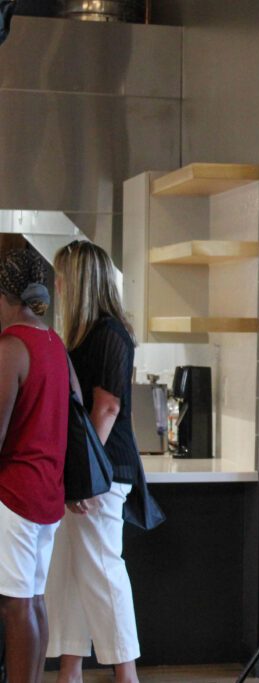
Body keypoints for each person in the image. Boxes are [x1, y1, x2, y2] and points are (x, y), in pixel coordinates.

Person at [46, 241, 144, 683]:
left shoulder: (108, 334)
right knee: (71, 572)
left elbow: (106, 407)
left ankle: (127, 673)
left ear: (81, 281)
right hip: (90, 471)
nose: (58, 286)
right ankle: (69, 669)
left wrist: (85, 477)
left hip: (102, 472)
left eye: (63, 277)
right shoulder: (90, 334)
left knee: (102, 571)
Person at [0, 249, 70, 683]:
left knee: (15, 604)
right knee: (35, 598)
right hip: (47, 492)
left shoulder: (11, 347)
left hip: (15, 494)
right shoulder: (52, 342)